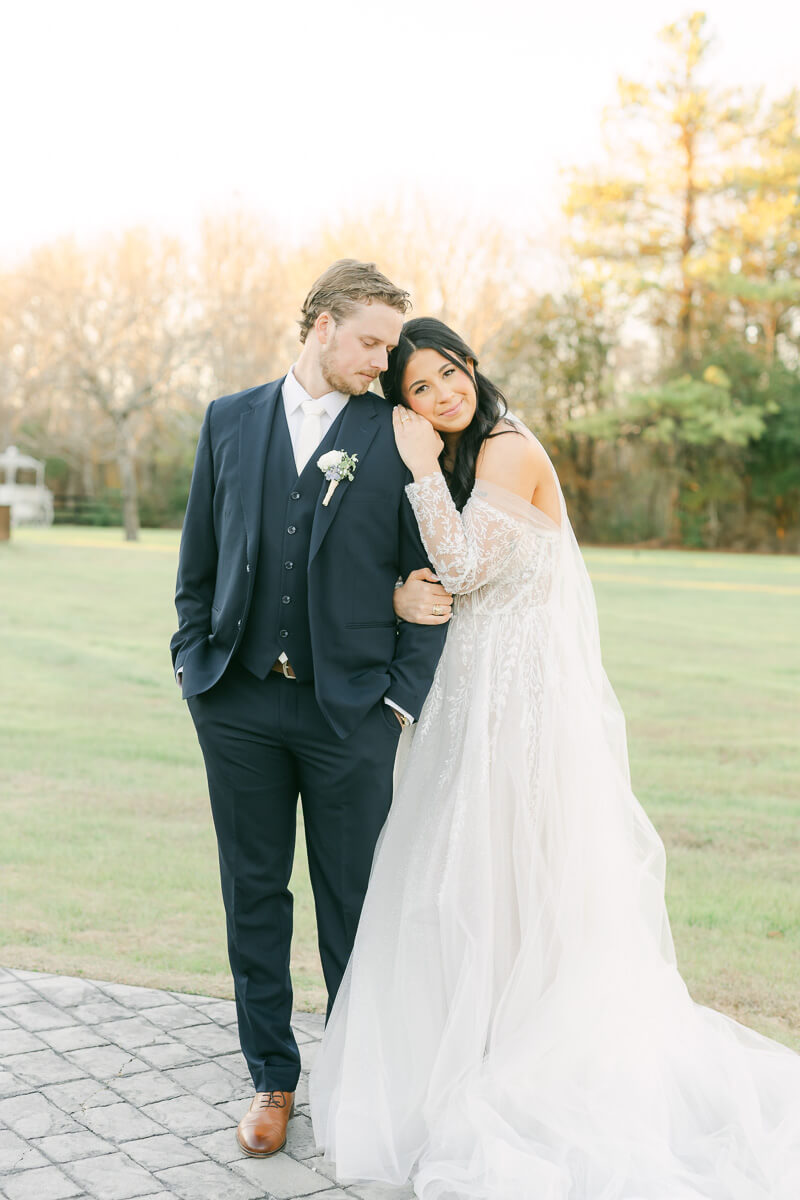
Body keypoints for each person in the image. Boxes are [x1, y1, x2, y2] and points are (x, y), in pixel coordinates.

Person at [310, 317, 800, 1198]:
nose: (442, 395)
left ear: (471, 367)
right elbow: (429, 573)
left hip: (520, 714)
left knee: (516, 882)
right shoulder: (469, 456)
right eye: (419, 389)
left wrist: (419, 464)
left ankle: (521, 1065)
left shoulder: (505, 447)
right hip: (471, 705)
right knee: (464, 884)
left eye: (448, 375)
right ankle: (473, 1054)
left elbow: (458, 566)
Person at [170, 265, 449, 1160]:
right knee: (253, 893)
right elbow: (199, 565)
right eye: (371, 342)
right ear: (323, 326)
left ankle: (361, 1078)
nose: (384, 360)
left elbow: (430, 576)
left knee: (355, 905)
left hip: (351, 716)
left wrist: (398, 703)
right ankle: (272, 1080)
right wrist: (195, 671)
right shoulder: (229, 419)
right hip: (239, 704)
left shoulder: (397, 433)